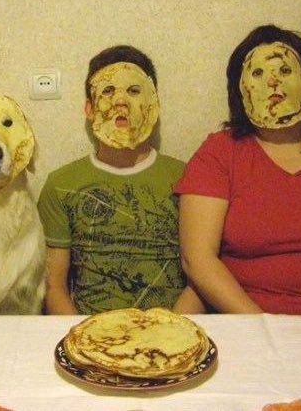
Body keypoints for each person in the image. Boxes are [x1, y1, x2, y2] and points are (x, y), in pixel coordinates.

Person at [175, 25, 301, 315]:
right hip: (244, 319)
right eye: (258, 73)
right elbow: (198, 258)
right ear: (241, 89)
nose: (273, 81)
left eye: (285, 71)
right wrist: (263, 325)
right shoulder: (219, 153)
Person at [37, 45, 200, 315]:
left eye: (134, 91)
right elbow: (54, 286)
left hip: (172, 326)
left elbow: (200, 276)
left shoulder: (189, 178)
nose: (120, 102)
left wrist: (173, 329)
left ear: (152, 105)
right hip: (89, 328)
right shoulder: (60, 184)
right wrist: (81, 334)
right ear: (90, 109)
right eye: (108, 91)